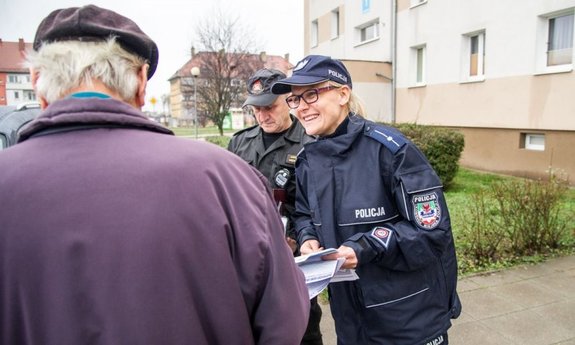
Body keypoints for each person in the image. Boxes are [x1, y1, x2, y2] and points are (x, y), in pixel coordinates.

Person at [0, 5, 310, 345]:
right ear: (141, 80)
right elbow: (282, 321)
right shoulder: (227, 177)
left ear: (36, 82)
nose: (263, 115)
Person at [271, 55, 462, 345]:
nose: (301, 107)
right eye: (295, 99)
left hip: (409, 321)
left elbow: (432, 231)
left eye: (311, 94)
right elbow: (304, 213)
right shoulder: (308, 160)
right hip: (351, 322)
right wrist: (309, 236)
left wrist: (367, 246)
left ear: (343, 94)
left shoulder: (392, 151)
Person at [228, 68, 323, 345]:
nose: (261, 116)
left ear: (289, 101)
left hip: (294, 257)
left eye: (269, 107)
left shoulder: (311, 142)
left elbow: (315, 204)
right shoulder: (240, 142)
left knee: (302, 328)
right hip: (250, 258)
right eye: (255, 109)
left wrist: (297, 238)